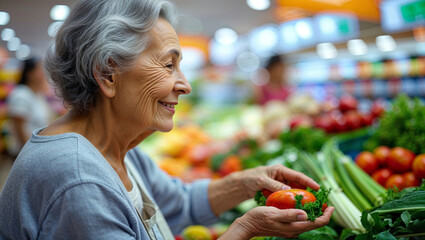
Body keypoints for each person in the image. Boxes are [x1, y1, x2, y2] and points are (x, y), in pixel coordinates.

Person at [0, 0, 333, 239]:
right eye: (168, 65)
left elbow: (182, 203)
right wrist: (244, 229)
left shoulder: (120, 150)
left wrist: (248, 183)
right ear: (107, 73)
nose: (184, 84)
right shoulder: (76, 179)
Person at [5, 57, 54, 157]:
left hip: (39, 151)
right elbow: (19, 130)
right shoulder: (21, 94)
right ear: (29, 73)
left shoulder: (38, 95)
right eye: (39, 69)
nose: (43, 73)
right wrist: (29, 154)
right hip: (26, 153)